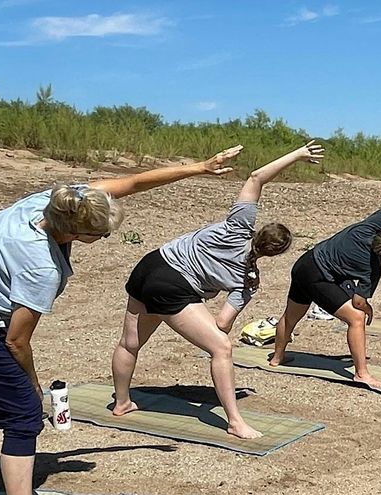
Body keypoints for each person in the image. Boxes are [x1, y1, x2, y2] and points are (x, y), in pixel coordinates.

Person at [0, 147, 243, 495]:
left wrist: (198, 167)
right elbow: (16, 339)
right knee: (24, 415)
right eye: (102, 235)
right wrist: (32, 386)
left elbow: (132, 182)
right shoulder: (39, 263)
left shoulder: (63, 200)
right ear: (77, 233)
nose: (104, 238)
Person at [111, 141, 324, 438]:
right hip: (174, 286)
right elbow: (222, 324)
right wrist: (191, 317)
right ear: (274, 255)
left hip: (150, 265)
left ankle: (121, 402)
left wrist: (298, 154)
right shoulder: (248, 280)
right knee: (221, 348)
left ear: (260, 230)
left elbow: (256, 177)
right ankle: (235, 421)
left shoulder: (239, 225)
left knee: (129, 343)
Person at [270, 175, 381, 388]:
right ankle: (361, 373)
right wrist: (368, 309)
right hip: (318, 277)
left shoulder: (369, 226)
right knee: (356, 319)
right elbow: (359, 301)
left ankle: (277, 358)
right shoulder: (372, 267)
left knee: (291, 315)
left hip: (304, 264)